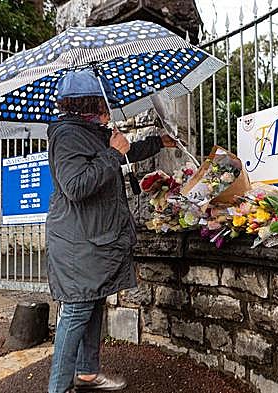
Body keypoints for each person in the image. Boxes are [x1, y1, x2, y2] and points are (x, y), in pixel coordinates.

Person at [46, 69, 176, 393]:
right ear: (87, 105)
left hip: (96, 240)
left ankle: (87, 374)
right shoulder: (66, 136)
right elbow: (76, 186)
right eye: (102, 103)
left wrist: (156, 142)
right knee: (76, 313)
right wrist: (113, 153)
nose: (108, 108)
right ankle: (57, 388)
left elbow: (124, 150)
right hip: (78, 243)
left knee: (94, 304)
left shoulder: (92, 131)